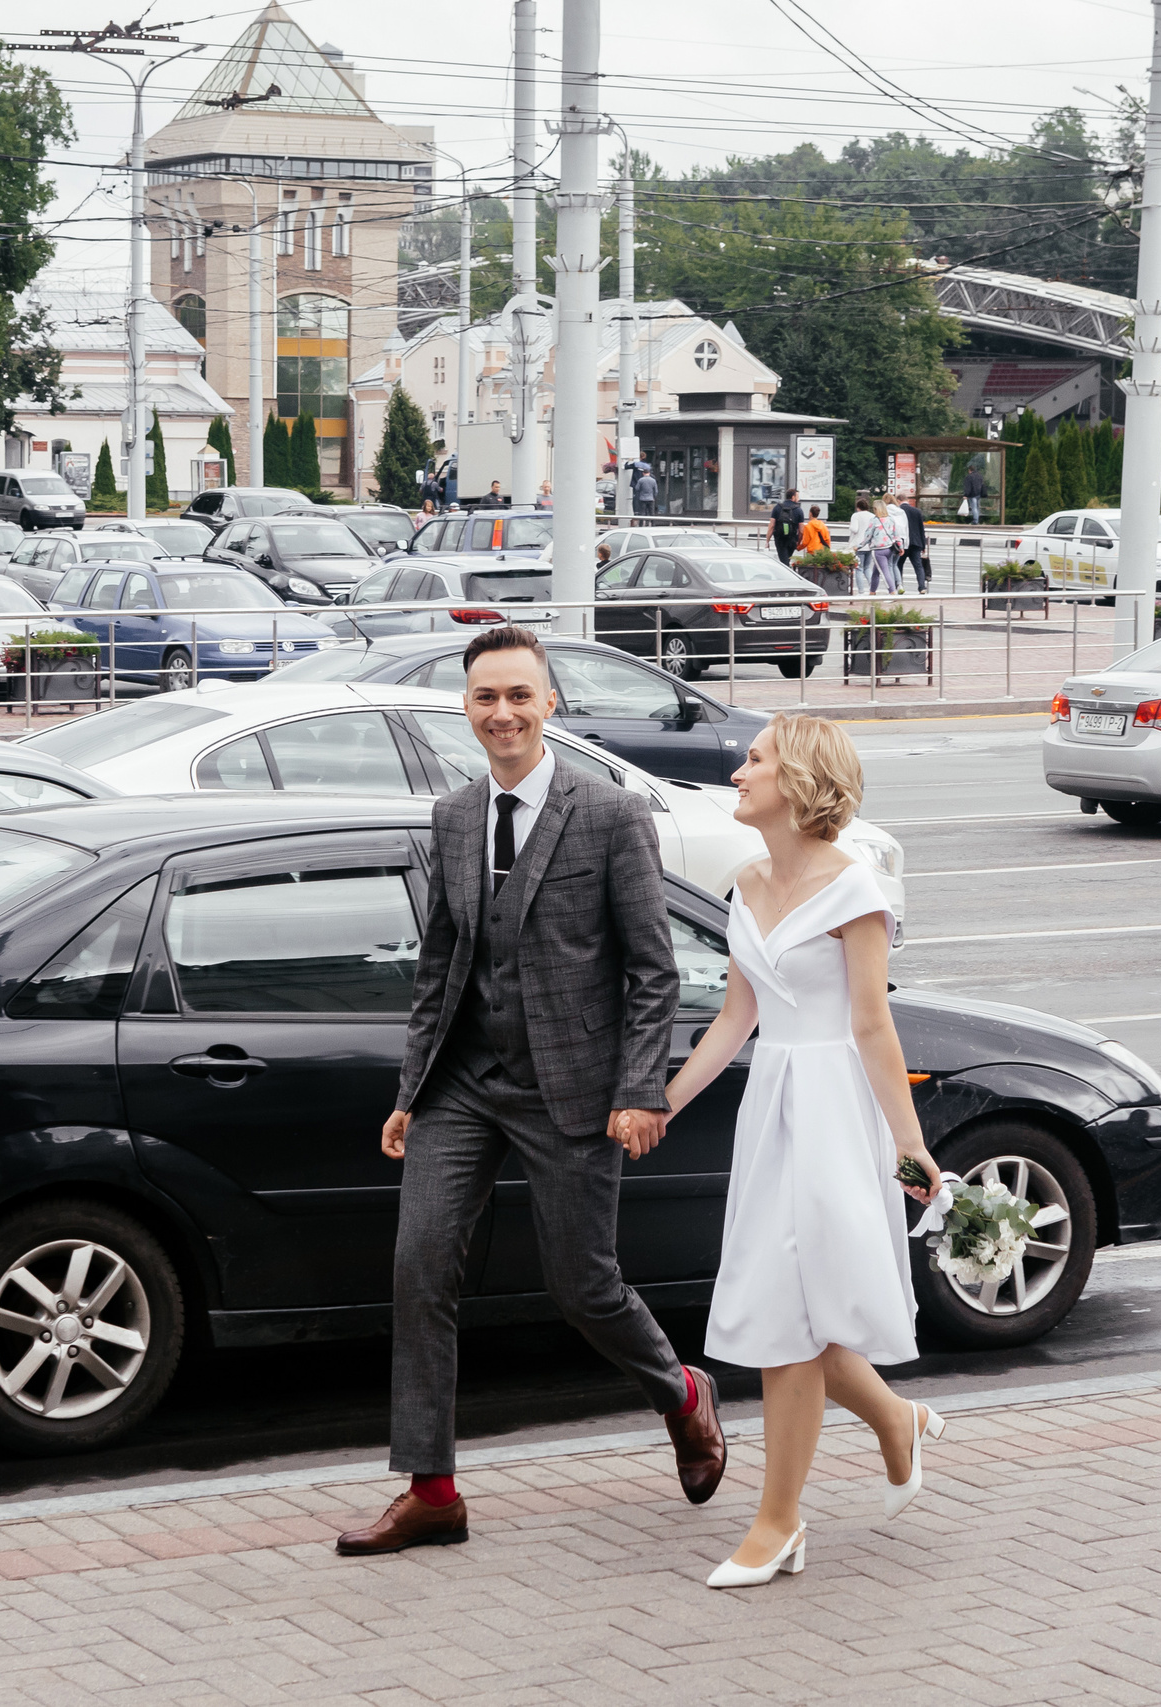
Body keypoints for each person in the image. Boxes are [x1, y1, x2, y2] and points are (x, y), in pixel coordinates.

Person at [336, 624, 727, 1557]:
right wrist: (410, 1089)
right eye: (486, 697)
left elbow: (653, 970)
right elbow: (440, 965)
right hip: (464, 1083)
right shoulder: (453, 816)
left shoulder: (611, 813)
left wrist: (641, 1088)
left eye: (519, 695)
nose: (503, 712)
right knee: (419, 1267)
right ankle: (432, 1490)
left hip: (576, 1085)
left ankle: (682, 1391)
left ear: (550, 702)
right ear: (467, 710)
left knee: (583, 1285)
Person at [661, 714, 945, 1589]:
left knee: (795, 1317)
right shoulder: (745, 882)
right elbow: (736, 1016)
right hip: (774, 1106)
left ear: (799, 780)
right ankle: (895, 1422)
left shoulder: (856, 888)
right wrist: (661, 1105)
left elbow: (872, 1025)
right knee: (791, 1310)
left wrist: (908, 1145)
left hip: (836, 1110)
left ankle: (778, 1521)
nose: (738, 772)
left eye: (755, 760)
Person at [846, 499, 882, 595]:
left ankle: (861, 591)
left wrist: (850, 526)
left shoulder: (856, 515)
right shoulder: (872, 516)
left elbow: (854, 529)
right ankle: (873, 588)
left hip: (858, 545)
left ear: (858, 507)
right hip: (869, 545)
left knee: (859, 569)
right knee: (867, 568)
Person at [875, 495, 908, 593]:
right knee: (895, 564)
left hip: (890, 540)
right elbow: (906, 527)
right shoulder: (901, 511)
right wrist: (905, 543)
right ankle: (900, 585)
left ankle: (892, 588)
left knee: (889, 565)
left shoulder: (885, 512)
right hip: (901, 539)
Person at [900, 496, 932, 592]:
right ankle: (922, 587)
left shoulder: (899, 511)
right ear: (907, 500)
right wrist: (923, 545)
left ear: (898, 500)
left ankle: (899, 586)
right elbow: (921, 529)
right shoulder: (917, 511)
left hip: (903, 543)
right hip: (916, 543)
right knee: (918, 566)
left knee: (898, 565)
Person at [770, 488, 805, 566]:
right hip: (792, 539)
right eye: (797, 497)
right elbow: (801, 530)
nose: (798, 499)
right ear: (793, 497)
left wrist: (767, 540)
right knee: (786, 560)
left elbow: (771, 525)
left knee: (784, 561)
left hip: (780, 539)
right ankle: (786, 571)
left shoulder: (777, 507)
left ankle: (785, 571)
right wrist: (798, 542)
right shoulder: (799, 510)